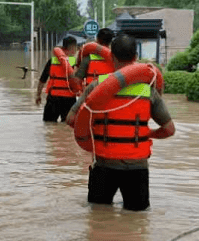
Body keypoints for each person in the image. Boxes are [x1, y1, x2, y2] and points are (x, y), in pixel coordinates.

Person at [66, 32, 175, 211]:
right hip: (137, 168)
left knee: (98, 219)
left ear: (112, 57)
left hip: (103, 164)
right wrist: (148, 133)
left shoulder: (96, 86)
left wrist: (94, 130)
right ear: (136, 57)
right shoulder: (147, 91)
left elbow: (71, 119)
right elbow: (169, 129)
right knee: (136, 220)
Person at [36, 35, 81, 122]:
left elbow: (42, 80)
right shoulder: (76, 63)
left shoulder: (52, 61)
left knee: (48, 125)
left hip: (53, 98)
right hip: (69, 100)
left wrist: (38, 95)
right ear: (72, 47)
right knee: (67, 127)